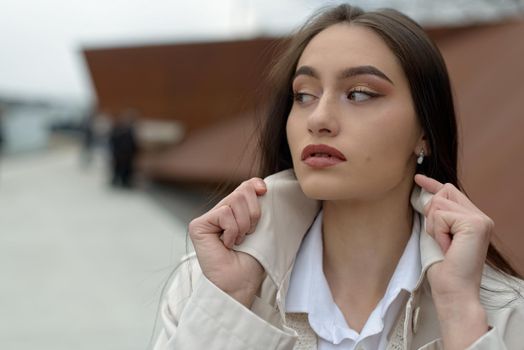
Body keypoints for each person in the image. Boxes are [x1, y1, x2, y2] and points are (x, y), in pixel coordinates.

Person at [154, 4, 524, 349]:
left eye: (360, 94)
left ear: (424, 132)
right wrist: (229, 306)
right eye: (303, 95)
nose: (318, 119)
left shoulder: (502, 309)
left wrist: (460, 316)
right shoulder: (207, 285)